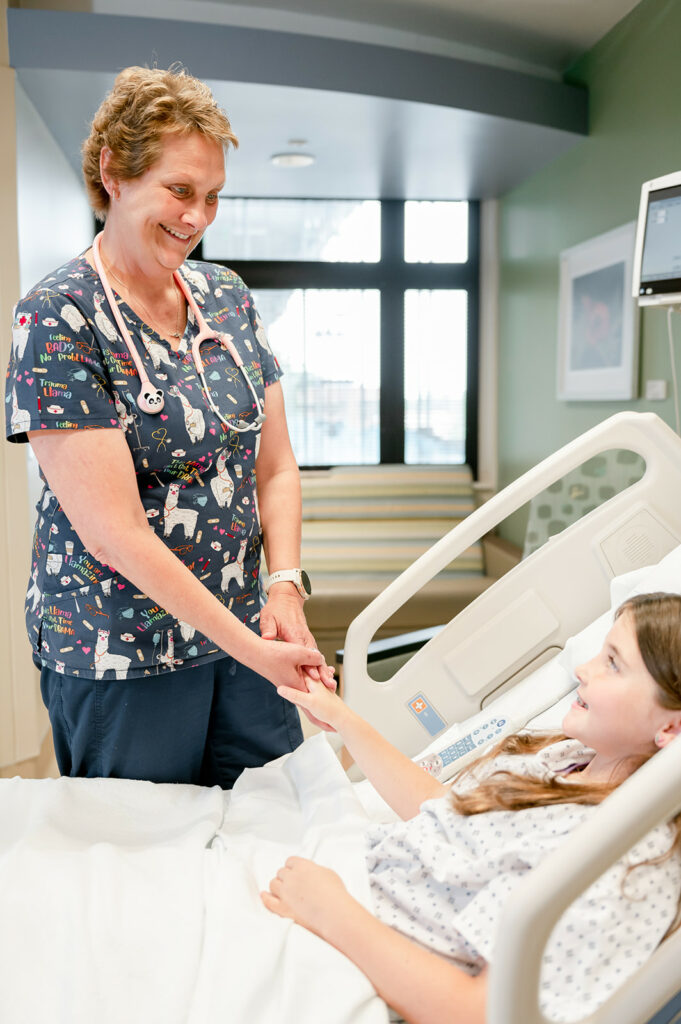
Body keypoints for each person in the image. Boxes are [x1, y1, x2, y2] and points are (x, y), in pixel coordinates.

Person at [5, 65, 334, 788]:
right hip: (121, 656)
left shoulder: (226, 296)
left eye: (212, 196)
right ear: (113, 175)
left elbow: (274, 466)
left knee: (268, 836)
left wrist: (283, 588)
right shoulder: (59, 316)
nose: (198, 217)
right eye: (180, 191)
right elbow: (112, 532)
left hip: (250, 638)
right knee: (140, 868)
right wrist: (252, 647)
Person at [263, 592, 681, 1024]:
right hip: (338, 885)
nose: (582, 669)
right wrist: (344, 720)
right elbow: (450, 819)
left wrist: (333, 912)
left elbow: (480, 1012)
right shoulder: (572, 758)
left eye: (613, 663)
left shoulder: (625, 866)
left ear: (671, 726)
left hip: (350, 941)